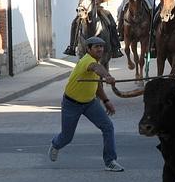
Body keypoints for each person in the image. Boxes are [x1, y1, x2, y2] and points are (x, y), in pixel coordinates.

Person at [48, 36, 124, 172]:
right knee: (67, 137)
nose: (100, 49)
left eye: (101, 46)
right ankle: (55, 144)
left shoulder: (96, 61)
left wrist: (106, 101)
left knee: (108, 127)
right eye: (96, 47)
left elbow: (97, 87)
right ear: (88, 49)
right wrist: (107, 76)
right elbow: (96, 68)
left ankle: (110, 161)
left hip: (90, 103)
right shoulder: (87, 61)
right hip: (71, 103)